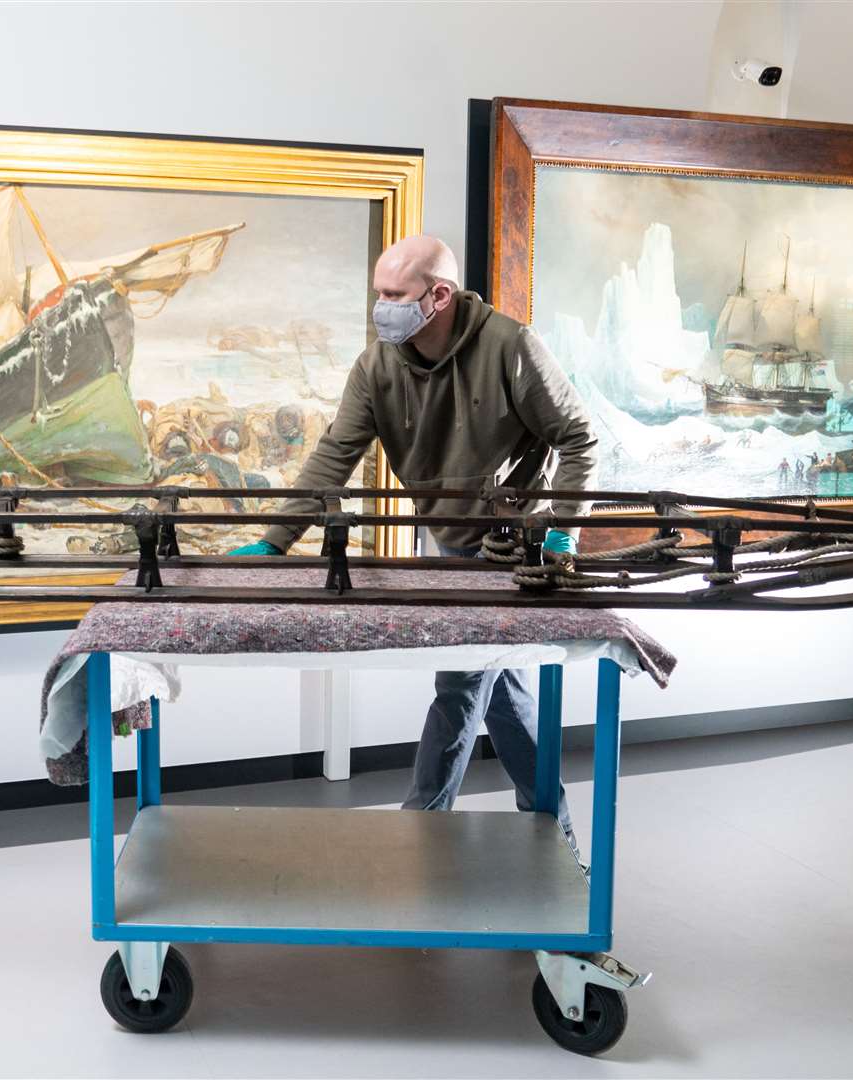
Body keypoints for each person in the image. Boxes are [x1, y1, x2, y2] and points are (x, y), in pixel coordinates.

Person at [229, 234, 598, 861]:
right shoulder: (378, 365)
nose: (381, 307)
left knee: (459, 685)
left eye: (394, 295)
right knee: (500, 686)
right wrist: (274, 540)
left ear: (439, 296)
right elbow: (331, 459)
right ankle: (554, 836)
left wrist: (563, 533)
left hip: (515, 549)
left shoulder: (511, 347)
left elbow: (579, 437)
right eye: (378, 293)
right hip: (452, 542)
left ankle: (421, 831)